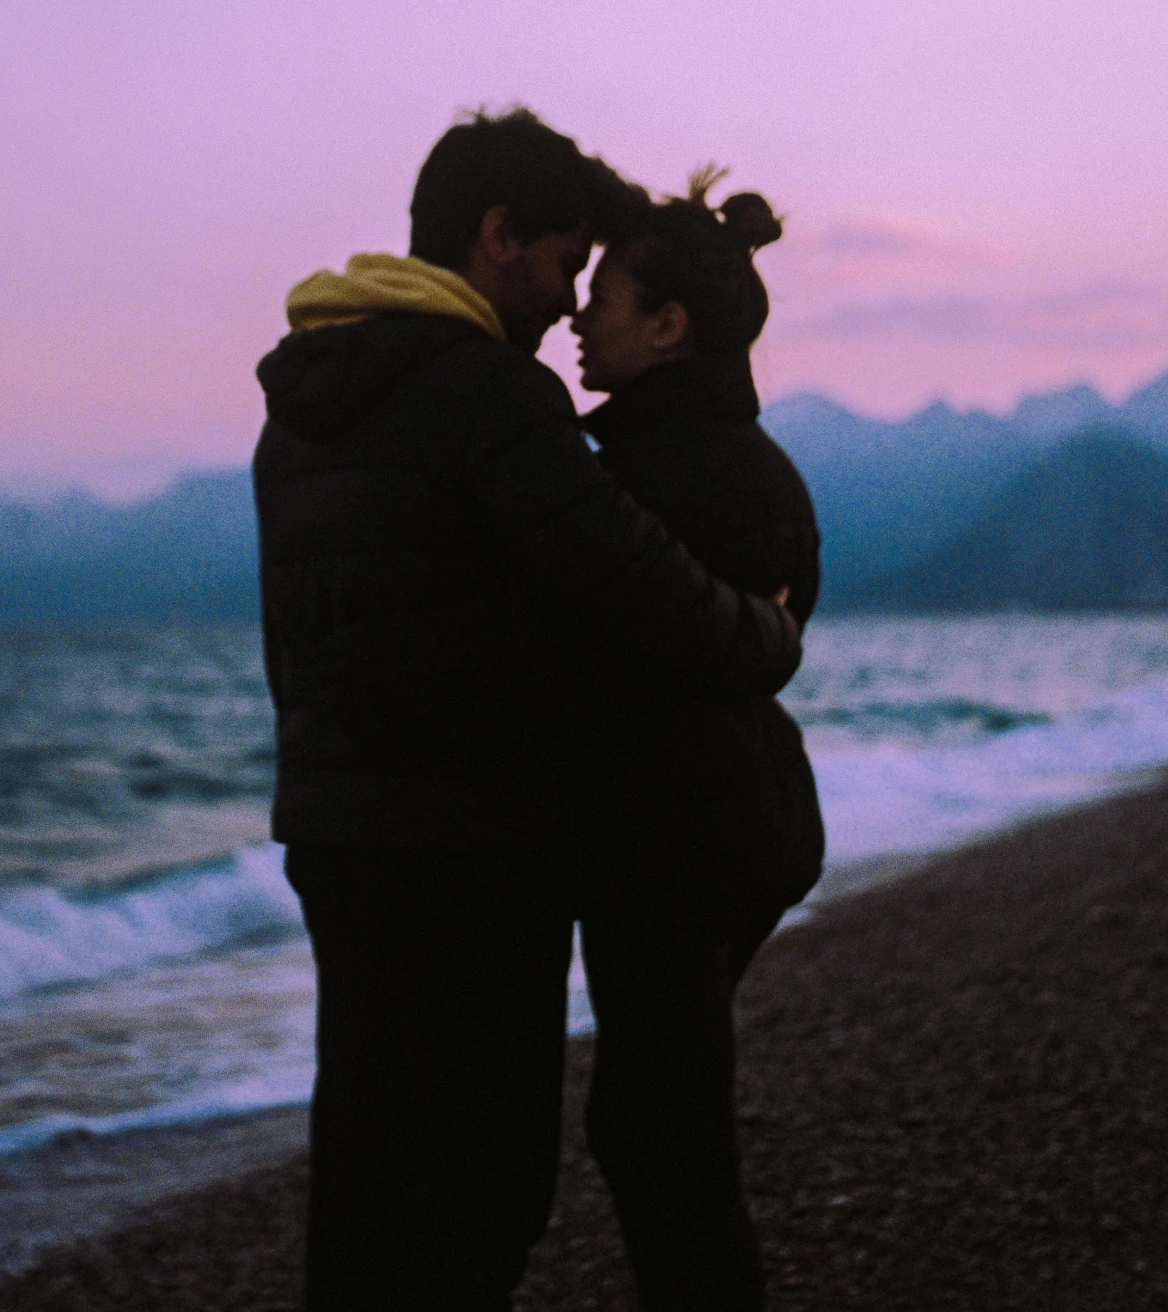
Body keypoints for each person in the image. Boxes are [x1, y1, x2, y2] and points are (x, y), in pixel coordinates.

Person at [252, 111, 804, 1312]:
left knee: (361, 1158)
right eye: (561, 263)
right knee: (482, 1183)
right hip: (474, 847)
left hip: (333, 835)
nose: (564, 307)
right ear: (497, 237)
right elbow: (635, 586)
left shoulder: (294, 411)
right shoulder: (489, 394)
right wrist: (767, 631)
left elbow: (290, 651)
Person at [570, 168, 825, 1312]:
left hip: (671, 838)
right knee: (652, 1117)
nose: (580, 316)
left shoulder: (634, 475)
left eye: (605, 297)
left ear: (667, 325)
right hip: (757, 819)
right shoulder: (762, 466)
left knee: (661, 1131)